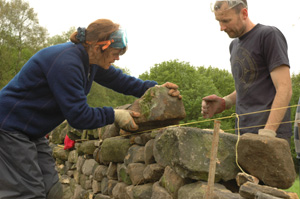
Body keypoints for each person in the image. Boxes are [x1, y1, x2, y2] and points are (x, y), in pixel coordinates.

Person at [0, 19, 181, 199]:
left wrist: (157, 91)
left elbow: (121, 81)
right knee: (26, 193)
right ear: (97, 47)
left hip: (31, 132)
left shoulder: (90, 62)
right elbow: (78, 116)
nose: (117, 58)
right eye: (115, 53)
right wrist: (114, 114)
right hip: (9, 127)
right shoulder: (67, 62)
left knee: (51, 190)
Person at [202, 0, 292, 143]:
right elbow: (248, 86)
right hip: (243, 134)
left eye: (226, 20)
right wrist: (225, 102)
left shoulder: (268, 35)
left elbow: (284, 88)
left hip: (271, 136)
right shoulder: (234, 45)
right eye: (219, 21)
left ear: (244, 13)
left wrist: (268, 133)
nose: (221, 27)